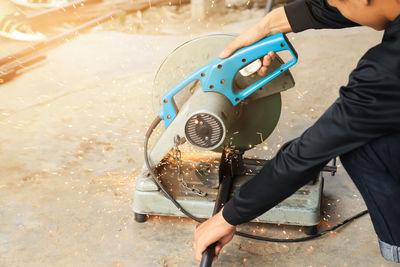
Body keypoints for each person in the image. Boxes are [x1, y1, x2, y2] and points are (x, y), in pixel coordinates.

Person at [194, 0, 400, 263]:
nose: (333, 7)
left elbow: (311, 151)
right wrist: (266, 26)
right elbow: (344, 11)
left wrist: (227, 217)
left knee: (361, 144)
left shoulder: (386, 72)